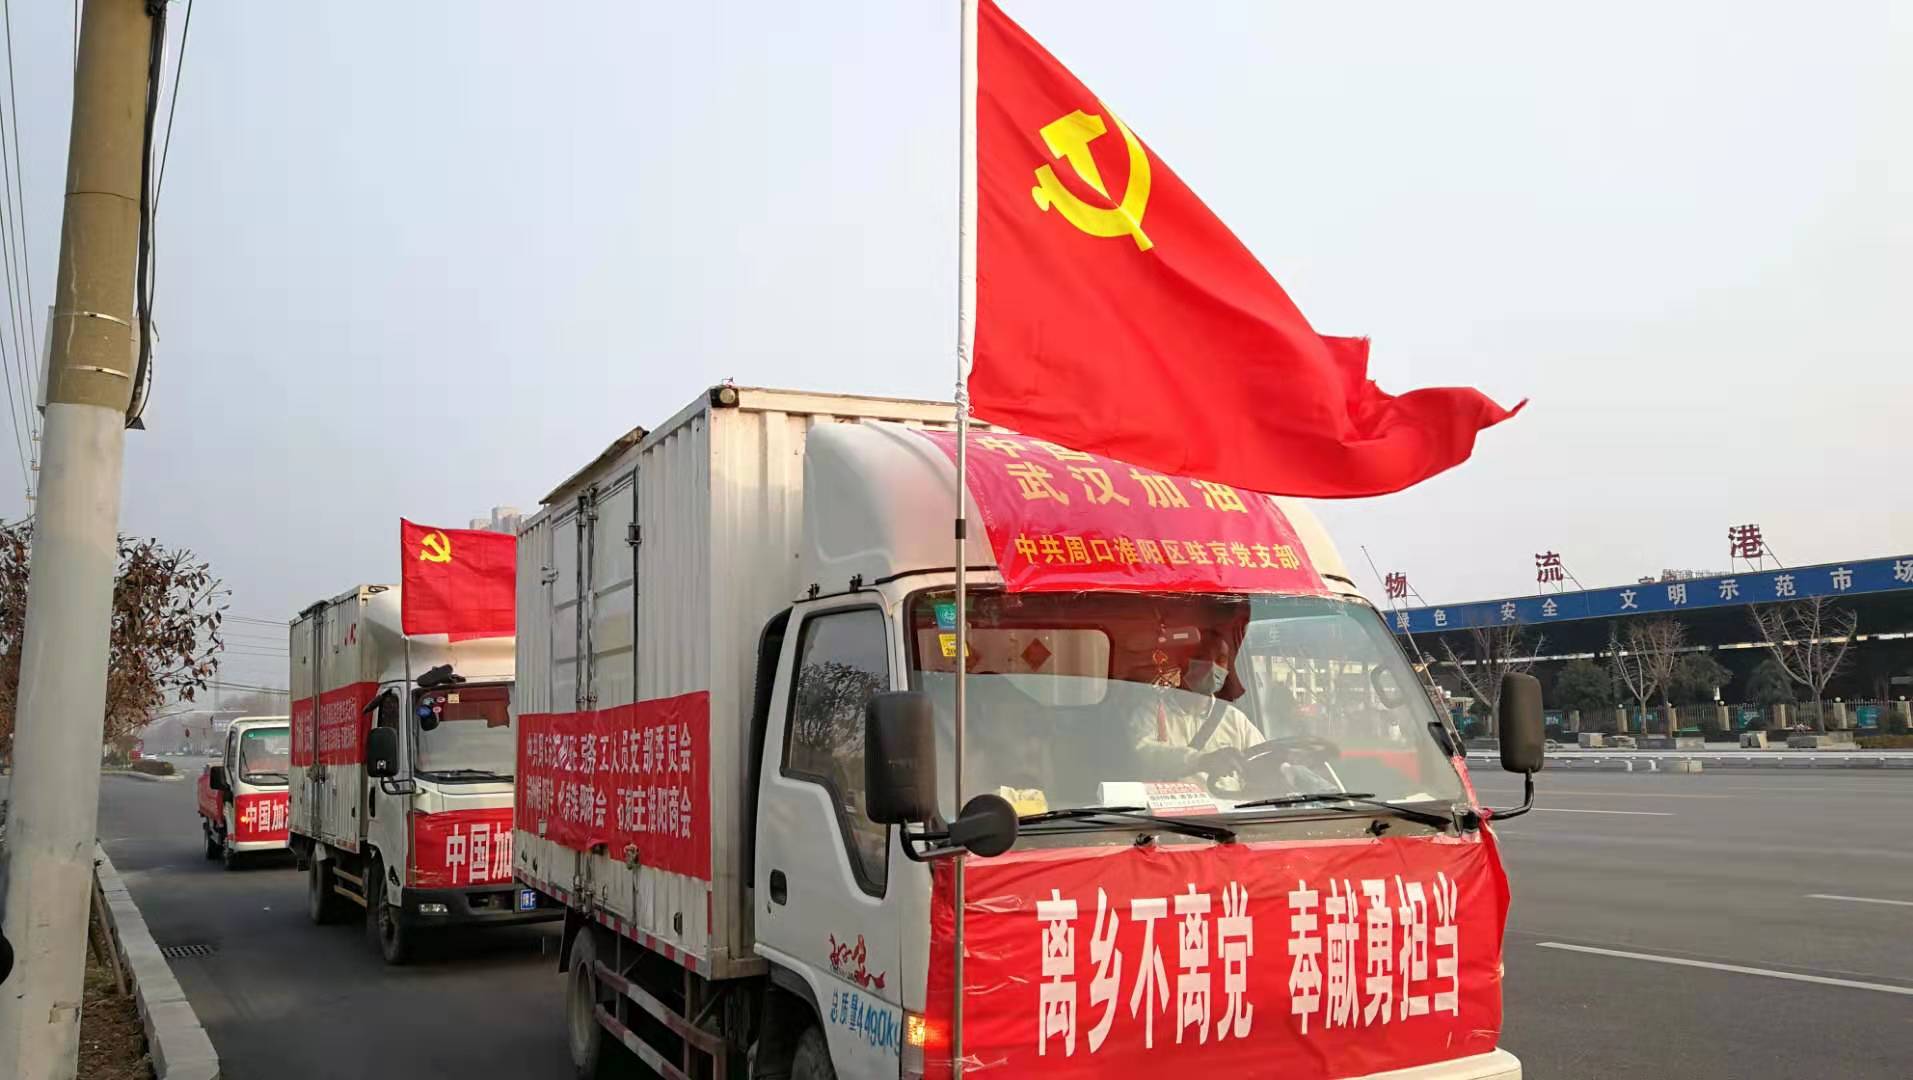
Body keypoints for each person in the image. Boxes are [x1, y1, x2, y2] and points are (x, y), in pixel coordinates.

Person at [1129, 631, 1265, 785]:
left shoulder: (1235, 720)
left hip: (1227, 800)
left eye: (1221, 660)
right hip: (1171, 800)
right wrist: (1201, 761)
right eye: (1203, 659)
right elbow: (1144, 754)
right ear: (1183, 663)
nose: (1213, 667)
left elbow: (1263, 761)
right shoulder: (1151, 713)